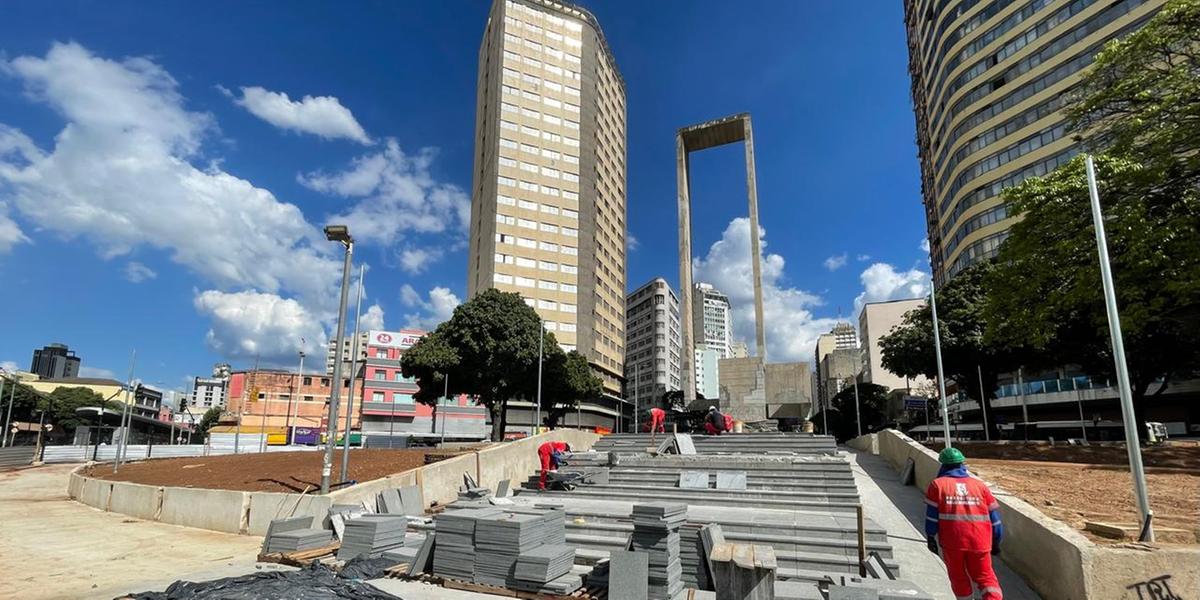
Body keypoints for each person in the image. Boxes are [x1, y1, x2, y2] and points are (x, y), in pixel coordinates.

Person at [925, 447, 1004, 600]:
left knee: (958, 577)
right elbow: (995, 519)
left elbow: (932, 517)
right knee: (986, 578)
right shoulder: (980, 486)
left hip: (952, 542)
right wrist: (997, 540)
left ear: (942, 465)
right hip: (980, 541)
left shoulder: (937, 485)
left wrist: (930, 536)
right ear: (962, 464)